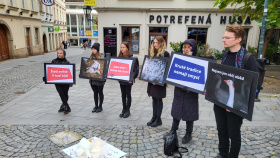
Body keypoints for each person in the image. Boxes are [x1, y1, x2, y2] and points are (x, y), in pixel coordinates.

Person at [214, 25, 258, 158]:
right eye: (224, 37)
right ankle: (222, 154)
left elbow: (254, 86)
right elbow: (222, 77)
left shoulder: (247, 58)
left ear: (238, 39)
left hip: (236, 104)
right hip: (220, 101)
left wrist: (234, 104)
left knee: (233, 133)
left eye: (227, 37)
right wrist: (210, 89)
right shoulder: (226, 55)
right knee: (221, 130)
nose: (223, 40)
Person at [164, 39, 199, 144]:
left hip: (191, 93)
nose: (186, 49)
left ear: (193, 49)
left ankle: (189, 133)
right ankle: (173, 130)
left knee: (190, 113)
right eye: (185, 47)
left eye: (189, 47)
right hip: (179, 91)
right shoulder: (178, 59)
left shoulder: (197, 61)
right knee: (177, 111)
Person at [146, 36, 170, 127]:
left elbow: (167, 68)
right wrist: (146, 76)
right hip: (152, 81)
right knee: (154, 98)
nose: (155, 44)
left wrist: (159, 79)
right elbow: (149, 67)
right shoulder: (152, 53)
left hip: (159, 82)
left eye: (157, 42)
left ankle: (158, 119)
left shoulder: (165, 54)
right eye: (154, 42)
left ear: (161, 43)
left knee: (159, 99)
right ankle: (154, 117)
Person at [118, 42, 139, 118]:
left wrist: (132, 78)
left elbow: (135, 70)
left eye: (123, 47)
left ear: (127, 48)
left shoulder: (131, 57)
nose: (122, 49)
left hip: (128, 80)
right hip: (121, 79)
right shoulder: (119, 56)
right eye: (121, 47)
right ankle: (124, 109)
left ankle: (128, 110)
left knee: (128, 95)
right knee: (123, 95)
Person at [51, 48, 72, 114]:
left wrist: (71, 81)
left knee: (65, 94)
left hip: (65, 82)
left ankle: (63, 106)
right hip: (57, 82)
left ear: (64, 54)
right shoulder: (54, 61)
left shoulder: (67, 62)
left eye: (61, 53)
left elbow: (70, 72)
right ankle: (67, 107)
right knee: (61, 93)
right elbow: (50, 70)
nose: (59, 54)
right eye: (58, 53)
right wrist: (46, 77)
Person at [89, 43, 105, 113]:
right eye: (92, 49)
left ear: (97, 50)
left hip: (99, 78)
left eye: (94, 49)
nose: (93, 50)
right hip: (92, 78)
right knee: (95, 92)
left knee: (100, 92)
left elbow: (103, 68)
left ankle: (100, 106)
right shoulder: (90, 58)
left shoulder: (101, 58)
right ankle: (96, 105)